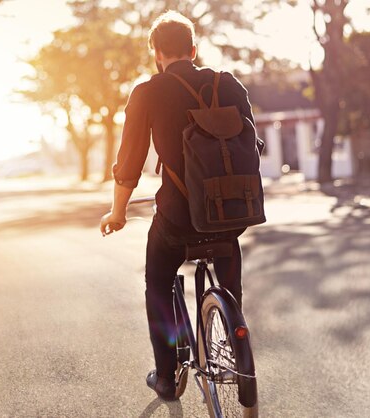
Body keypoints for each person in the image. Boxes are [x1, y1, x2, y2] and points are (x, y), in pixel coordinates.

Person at [99, 10, 255, 401]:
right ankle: (235, 329)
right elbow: (252, 146)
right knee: (227, 258)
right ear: (193, 49)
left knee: (157, 282)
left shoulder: (147, 92)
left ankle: (166, 376)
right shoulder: (229, 84)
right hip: (232, 214)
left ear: (156, 53)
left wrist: (117, 213)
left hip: (178, 217)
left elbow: (129, 164)